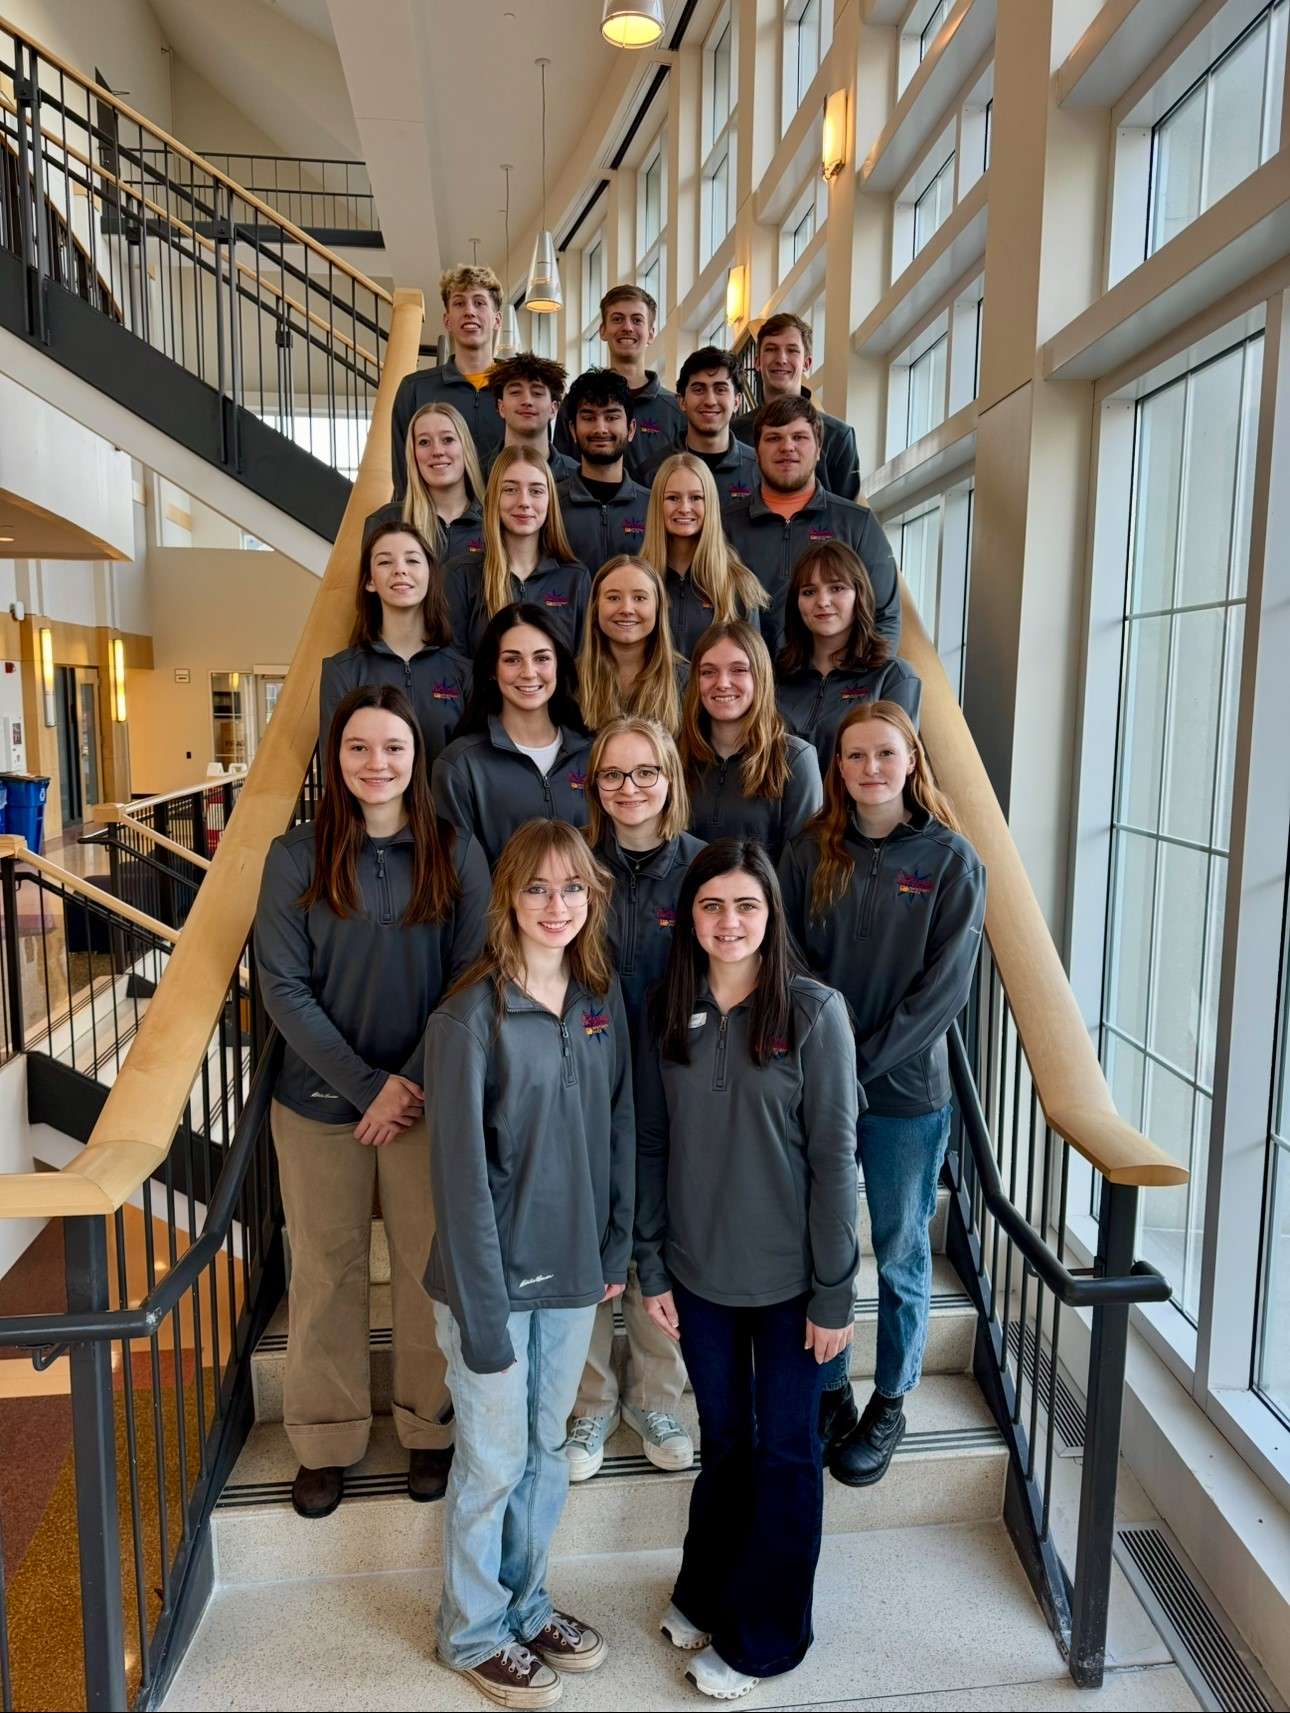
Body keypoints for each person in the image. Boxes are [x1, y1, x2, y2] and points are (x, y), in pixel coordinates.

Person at [254, 684, 490, 1519]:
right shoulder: (294, 854)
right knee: (326, 1271)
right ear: (336, 758)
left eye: (392, 746)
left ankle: (429, 1427)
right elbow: (281, 985)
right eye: (358, 747)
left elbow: (474, 973)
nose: (376, 762)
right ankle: (326, 1438)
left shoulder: (455, 851)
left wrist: (411, 1082)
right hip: (318, 1105)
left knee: (432, 1273)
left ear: (416, 756)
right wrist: (369, 1085)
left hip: (429, 1104)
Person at [635, 838, 860, 1700]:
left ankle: (768, 1637)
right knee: (724, 1445)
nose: (729, 923)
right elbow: (651, 1143)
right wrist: (652, 1263)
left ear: (771, 914)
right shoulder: (666, 1004)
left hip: (795, 1287)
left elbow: (835, 1161)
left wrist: (834, 1289)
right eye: (711, 906)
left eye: (746, 906)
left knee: (788, 1456)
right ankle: (708, 1589)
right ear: (689, 916)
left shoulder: (813, 1012)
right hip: (698, 1276)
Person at [423, 819, 635, 1706]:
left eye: (574, 888)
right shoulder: (468, 1016)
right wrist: (480, 1318)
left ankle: (526, 1601)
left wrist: (614, 1244)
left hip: (575, 1273)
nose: (558, 905)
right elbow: (460, 1182)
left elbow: (621, 1123)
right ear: (509, 896)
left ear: (593, 898)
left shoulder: (598, 994)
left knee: (546, 1452)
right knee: (492, 1460)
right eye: (539, 888)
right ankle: (471, 1630)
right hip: (494, 1288)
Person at [778, 702, 986, 1487]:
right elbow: (788, 957)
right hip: (814, 1080)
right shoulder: (808, 852)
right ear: (838, 766)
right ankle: (830, 1386)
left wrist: (856, 1068)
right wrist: (825, 1061)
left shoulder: (950, 859)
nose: (870, 768)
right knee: (821, 1242)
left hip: (902, 1092)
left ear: (910, 760)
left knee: (900, 1250)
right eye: (856, 756)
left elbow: (944, 991)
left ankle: (891, 1399)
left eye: (885, 754)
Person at [564, 717, 703, 1482]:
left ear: (670, 778)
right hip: (586, 1079)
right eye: (612, 775)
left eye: (645, 772)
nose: (629, 789)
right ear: (593, 785)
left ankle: (658, 1396)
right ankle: (589, 1402)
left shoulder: (703, 869)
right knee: (587, 1227)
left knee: (667, 1238)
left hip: (682, 1079)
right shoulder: (576, 866)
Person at [722, 395, 900, 658]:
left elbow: (885, 617)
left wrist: (858, 687)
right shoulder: (724, 526)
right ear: (756, 453)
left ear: (818, 450)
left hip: (829, 688)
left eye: (799, 437)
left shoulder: (857, 524)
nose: (787, 447)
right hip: (745, 689)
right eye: (773, 438)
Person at [433, 603, 593, 866]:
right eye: (512, 659)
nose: (529, 672)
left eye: (542, 658)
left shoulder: (593, 756)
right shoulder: (459, 766)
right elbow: (456, 875)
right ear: (491, 670)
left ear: (559, 665)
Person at [320, 523, 471, 765]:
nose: (400, 569)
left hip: (446, 804)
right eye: (384, 562)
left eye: (412, 560)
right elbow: (336, 772)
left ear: (430, 575)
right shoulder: (342, 672)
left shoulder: (463, 672)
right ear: (370, 580)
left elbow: (471, 768)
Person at [681, 621, 822, 863]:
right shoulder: (674, 755)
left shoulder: (795, 758)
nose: (722, 683)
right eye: (708, 672)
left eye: (738, 670)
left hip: (765, 901)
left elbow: (802, 867)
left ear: (761, 677)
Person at [775, 540, 922, 767]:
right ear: (796, 603)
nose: (822, 601)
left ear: (860, 595)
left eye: (837, 588)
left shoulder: (893, 677)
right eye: (809, 591)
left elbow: (892, 771)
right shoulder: (775, 675)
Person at [443, 449, 590, 656]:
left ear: (550, 501)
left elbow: (581, 668)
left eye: (536, 491)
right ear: (494, 497)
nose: (524, 502)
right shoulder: (461, 575)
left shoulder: (575, 577)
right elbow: (455, 666)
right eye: (510, 490)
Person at [642, 452, 767, 659]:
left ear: (710, 503)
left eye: (696, 498)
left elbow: (751, 670)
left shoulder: (738, 584)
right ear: (657, 505)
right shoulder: (638, 579)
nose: (684, 508)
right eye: (673, 498)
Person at [390, 265, 504, 492]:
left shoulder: (518, 390)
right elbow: (404, 474)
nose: (469, 311)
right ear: (447, 320)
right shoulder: (414, 389)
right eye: (459, 303)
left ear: (497, 320)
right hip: (436, 523)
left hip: (505, 522)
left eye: (479, 303)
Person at [554, 285, 685, 479]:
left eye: (637, 320)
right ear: (603, 331)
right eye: (617, 319)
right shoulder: (576, 403)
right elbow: (563, 471)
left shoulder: (677, 410)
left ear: (651, 333)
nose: (627, 327)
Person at [731, 312, 860, 501]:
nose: (781, 359)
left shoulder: (838, 437)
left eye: (792, 350)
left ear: (807, 363)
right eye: (771, 349)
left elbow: (847, 518)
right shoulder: (733, 434)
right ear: (757, 362)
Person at [365, 402, 487, 565]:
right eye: (424, 442)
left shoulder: (494, 523)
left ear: (466, 448)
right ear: (413, 454)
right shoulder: (386, 521)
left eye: (448, 439)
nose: (437, 451)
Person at [576, 556, 686, 735]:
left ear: (658, 608)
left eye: (639, 598)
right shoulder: (571, 679)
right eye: (613, 598)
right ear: (595, 608)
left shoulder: (685, 681)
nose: (626, 609)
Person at [555, 369, 652, 572]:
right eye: (589, 418)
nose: (600, 428)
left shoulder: (653, 507)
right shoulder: (551, 504)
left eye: (611, 417)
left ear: (631, 429)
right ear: (573, 430)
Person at [638, 346, 759, 509]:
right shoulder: (652, 471)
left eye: (720, 389)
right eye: (699, 389)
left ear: (737, 401)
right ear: (681, 401)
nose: (710, 400)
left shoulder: (759, 469)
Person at [484, 352, 580, 481]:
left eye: (537, 393)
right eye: (515, 392)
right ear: (501, 407)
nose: (527, 401)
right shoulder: (476, 476)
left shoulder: (578, 477)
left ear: (554, 408)